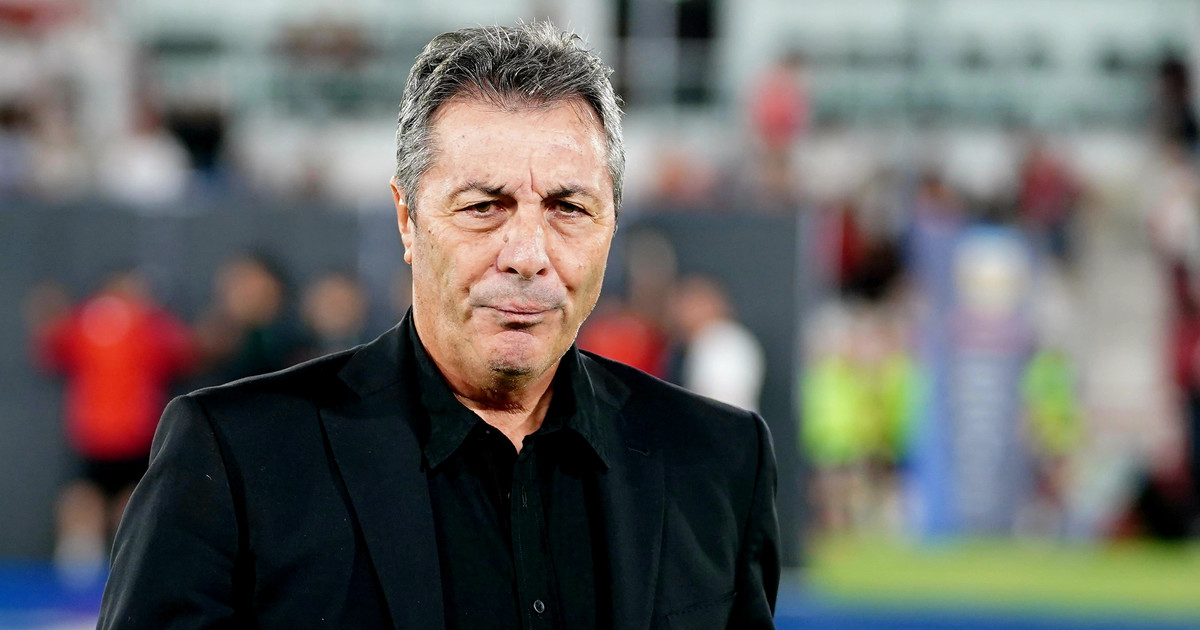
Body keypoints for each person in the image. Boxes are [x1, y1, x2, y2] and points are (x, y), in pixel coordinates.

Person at [99, 22, 780, 629]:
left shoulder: (721, 463)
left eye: (568, 208)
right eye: (484, 207)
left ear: (612, 225)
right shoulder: (237, 460)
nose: (528, 255)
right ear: (407, 220)